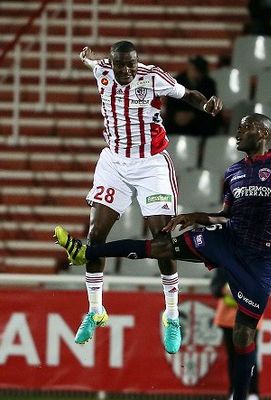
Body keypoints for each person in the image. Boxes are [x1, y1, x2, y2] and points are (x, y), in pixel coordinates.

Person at [55, 113, 271, 400]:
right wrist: (197, 217)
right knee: (162, 246)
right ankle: (87, 251)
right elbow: (225, 216)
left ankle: (241, 395)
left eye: (245, 127)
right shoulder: (233, 173)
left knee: (243, 333)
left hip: (260, 262)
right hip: (227, 241)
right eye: (238, 127)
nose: (238, 132)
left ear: (263, 132)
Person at [74, 41, 223, 354]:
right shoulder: (102, 70)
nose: (126, 70)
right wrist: (88, 57)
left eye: (131, 63)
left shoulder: (152, 77)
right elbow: (92, 60)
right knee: (95, 236)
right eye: (120, 64)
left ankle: (170, 315)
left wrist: (206, 105)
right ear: (111, 63)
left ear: (136, 61)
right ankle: (95, 309)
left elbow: (189, 94)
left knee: (162, 241)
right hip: (113, 162)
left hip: (150, 164)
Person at [210, 268, 260, 400]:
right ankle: (234, 391)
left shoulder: (258, 259)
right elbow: (215, 287)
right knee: (233, 357)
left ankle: (252, 393)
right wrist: (225, 289)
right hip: (228, 319)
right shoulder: (225, 259)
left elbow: (263, 286)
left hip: (251, 317)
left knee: (250, 356)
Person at [163, 55, 221, 137]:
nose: (194, 72)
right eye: (192, 69)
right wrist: (176, 115)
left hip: (198, 121)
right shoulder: (177, 82)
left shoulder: (209, 84)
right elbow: (170, 104)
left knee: (210, 121)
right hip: (177, 122)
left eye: (197, 70)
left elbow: (210, 105)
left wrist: (192, 115)